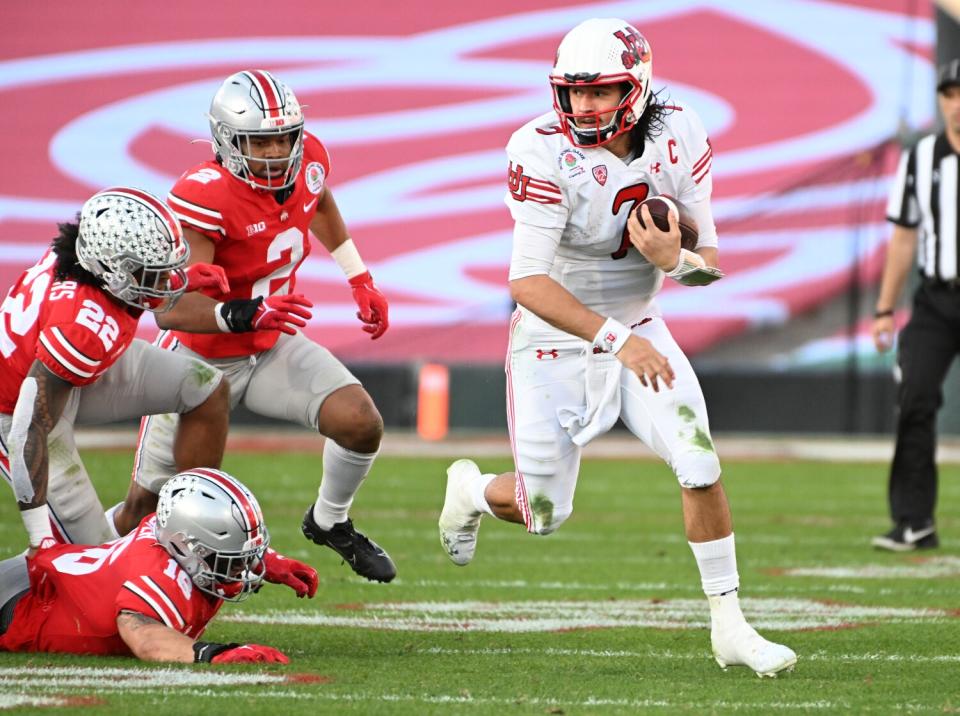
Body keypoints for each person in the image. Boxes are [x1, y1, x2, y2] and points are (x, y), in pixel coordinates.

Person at [438, 18, 796, 677]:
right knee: (544, 512)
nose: (582, 107)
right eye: (572, 93)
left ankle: (730, 626)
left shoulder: (680, 128)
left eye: (599, 92)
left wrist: (675, 259)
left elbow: (709, 263)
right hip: (555, 340)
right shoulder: (538, 148)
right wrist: (615, 340)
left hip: (640, 324)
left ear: (636, 88)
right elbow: (526, 282)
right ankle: (470, 489)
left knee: (699, 461)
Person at [115, 70, 395, 583]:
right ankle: (78, 564)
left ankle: (330, 520)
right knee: (153, 504)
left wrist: (359, 277)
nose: (274, 152)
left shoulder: (309, 159)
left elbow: (320, 201)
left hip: (270, 345)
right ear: (226, 140)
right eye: (259, 141)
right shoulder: (205, 195)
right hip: (198, 361)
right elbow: (171, 308)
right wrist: (244, 312)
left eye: (283, 138)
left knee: (360, 422)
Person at [0, 187, 231, 551]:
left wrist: (167, 281)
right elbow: (28, 431)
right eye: (153, 273)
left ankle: (193, 511)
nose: (167, 279)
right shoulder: (80, 327)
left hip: (73, 368)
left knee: (205, 388)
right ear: (114, 270)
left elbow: (125, 285)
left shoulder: (91, 263)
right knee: (96, 564)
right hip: (21, 412)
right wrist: (39, 535)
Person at [0, 468, 317, 663]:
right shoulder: (155, 570)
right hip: (19, 608)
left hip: (43, 579)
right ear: (187, 546)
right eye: (232, 559)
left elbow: (216, 549)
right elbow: (144, 638)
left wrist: (269, 560)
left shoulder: (175, 537)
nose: (242, 569)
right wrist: (214, 653)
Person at [870, 60, 960, 551]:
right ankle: (914, 521)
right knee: (916, 400)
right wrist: (885, 308)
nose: (958, 103)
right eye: (950, 93)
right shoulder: (921, 158)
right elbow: (904, 238)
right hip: (937, 299)